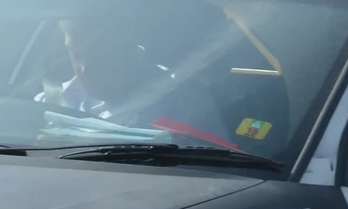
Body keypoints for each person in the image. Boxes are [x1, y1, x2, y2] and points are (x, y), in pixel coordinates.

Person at [43, 15, 236, 146]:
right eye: (76, 53)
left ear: (131, 48)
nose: (84, 68)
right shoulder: (49, 102)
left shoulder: (184, 104)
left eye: (99, 54)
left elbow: (215, 172)